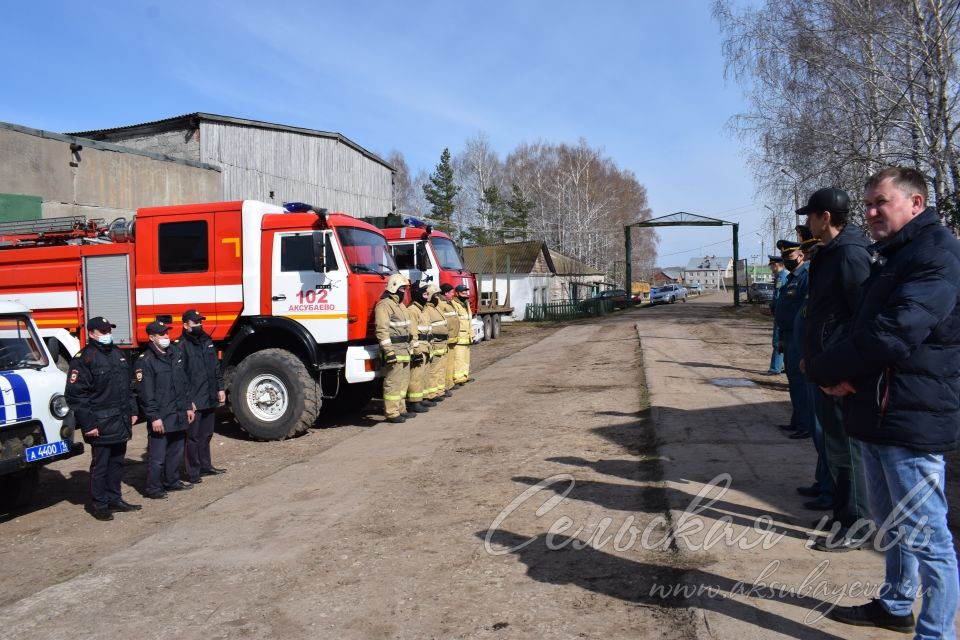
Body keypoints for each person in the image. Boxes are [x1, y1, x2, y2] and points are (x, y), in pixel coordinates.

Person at [807, 167, 960, 636]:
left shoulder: (936, 255)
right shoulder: (893, 255)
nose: (870, 212)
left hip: (910, 416)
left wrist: (828, 370)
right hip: (877, 409)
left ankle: (934, 633)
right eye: (868, 203)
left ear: (916, 204)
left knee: (929, 537)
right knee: (891, 524)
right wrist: (839, 372)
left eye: (881, 203)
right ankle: (895, 605)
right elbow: (861, 327)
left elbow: (894, 333)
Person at [799, 187, 872, 551]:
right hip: (826, 366)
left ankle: (857, 524)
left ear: (825, 218)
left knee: (845, 449)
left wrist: (846, 369)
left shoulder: (849, 255)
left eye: (809, 216)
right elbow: (825, 314)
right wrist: (812, 356)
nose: (806, 222)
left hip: (841, 372)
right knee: (835, 446)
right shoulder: (832, 253)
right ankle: (844, 514)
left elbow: (861, 317)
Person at [65, 317, 140, 521]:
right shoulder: (84, 359)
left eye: (109, 330)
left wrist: (133, 410)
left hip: (120, 419)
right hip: (100, 423)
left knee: (117, 463)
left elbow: (127, 386)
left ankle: (115, 498)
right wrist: (88, 424)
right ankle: (100, 504)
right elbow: (76, 396)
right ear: (91, 334)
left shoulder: (118, 354)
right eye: (103, 331)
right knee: (101, 465)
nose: (107, 334)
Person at [136, 321, 195, 499]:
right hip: (161, 415)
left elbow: (183, 383)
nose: (166, 337)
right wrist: (154, 417)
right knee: (157, 456)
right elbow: (146, 393)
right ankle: (153, 488)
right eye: (161, 335)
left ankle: (172, 481)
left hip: (178, 412)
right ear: (152, 337)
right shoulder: (146, 361)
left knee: (176, 451)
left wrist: (188, 405)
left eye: (166, 334)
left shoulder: (174, 354)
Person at [179, 309, 226, 483]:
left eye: (200, 322)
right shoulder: (181, 345)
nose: (199, 325)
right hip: (194, 399)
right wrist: (187, 401)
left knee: (206, 434)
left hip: (209, 395)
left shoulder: (207, 341)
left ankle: (206, 466)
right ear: (186, 325)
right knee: (192, 437)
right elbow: (181, 377)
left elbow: (215, 367)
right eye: (195, 322)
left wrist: (220, 388)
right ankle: (193, 471)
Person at [772, 240, 810, 439]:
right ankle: (797, 420)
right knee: (793, 381)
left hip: (798, 336)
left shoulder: (806, 277)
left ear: (801, 256)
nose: (787, 260)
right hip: (788, 336)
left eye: (791, 256)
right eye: (785, 257)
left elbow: (805, 310)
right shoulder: (792, 278)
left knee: (800, 381)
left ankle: (806, 424)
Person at [375, 273, 413, 423]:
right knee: (393, 382)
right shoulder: (385, 305)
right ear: (394, 287)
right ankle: (391, 412)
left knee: (403, 383)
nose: (404, 292)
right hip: (395, 350)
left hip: (405, 349)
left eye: (405, 289)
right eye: (403, 289)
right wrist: (389, 352)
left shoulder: (401, 306)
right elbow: (381, 330)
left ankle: (401, 409)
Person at [404, 286, 434, 413]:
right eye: (425, 295)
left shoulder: (423, 310)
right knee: (416, 375)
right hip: (419, 347)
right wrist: (415, 351)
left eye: (428, 295)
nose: (427, 297)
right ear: (418, 295)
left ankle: (422, 398)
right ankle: (414, 402)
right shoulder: (412, 310)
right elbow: (412, 332)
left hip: (426, 346)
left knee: (424, 374)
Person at [422, 284, 450, 403]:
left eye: (438, 295)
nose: (438, 298)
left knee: (440, 369)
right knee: (433, 370)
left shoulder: (436, 307)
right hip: (435, 344)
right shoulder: (427, 309)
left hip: (443, 343)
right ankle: (431, 393)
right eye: (435, 295)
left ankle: (439, 390)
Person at [437, 283, 460, 395]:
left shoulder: (449, 303)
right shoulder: (441, 304)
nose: (453, 294)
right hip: (446, 339)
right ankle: (445, 386)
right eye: (451, 292)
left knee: (450, 363)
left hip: (452, 338)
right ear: (445, 293)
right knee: (445, 364)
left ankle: (449, 383)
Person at [767, 255, 787, 374]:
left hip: (780, 313)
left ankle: (775, 368)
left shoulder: (781, 277)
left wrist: (773, 309)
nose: (771, 268)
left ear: (776, 265)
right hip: (783, 312)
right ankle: (783, 365)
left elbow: (778, 296)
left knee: (777, 340)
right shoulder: (783, 276)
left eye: (771, 265)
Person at [452, 283, 473, 385]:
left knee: (465, 359)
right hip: (460, 337)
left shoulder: (466, 303)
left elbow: (468, 320)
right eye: (463, 292)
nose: (465, 294)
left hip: (467, 337)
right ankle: (457, 379)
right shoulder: (454, 304)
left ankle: (464, 376)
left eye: (466, 292)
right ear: (457, 293)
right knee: (458, 359)